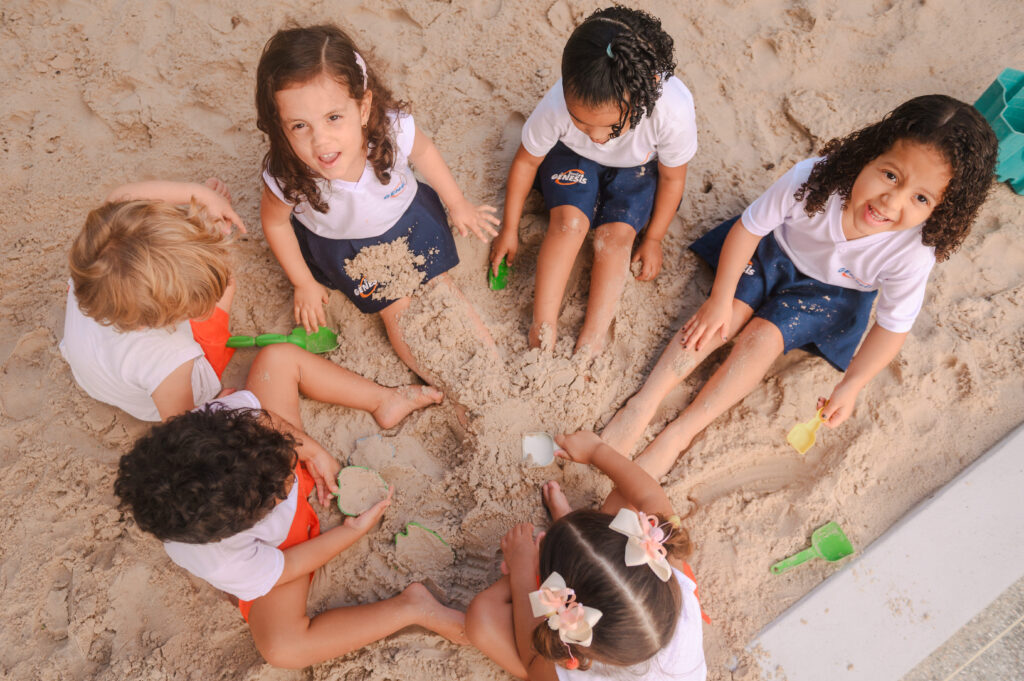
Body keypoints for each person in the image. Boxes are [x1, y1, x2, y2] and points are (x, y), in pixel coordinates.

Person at [601, 94, 999, 479]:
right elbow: (749, 230)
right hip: (774, 252)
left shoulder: (914, 251)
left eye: (920, 198)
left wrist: (852, 385)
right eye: (890, 175)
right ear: (870, 154)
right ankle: (643, 403)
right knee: (725, 316)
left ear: (940, 210)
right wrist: (720, 300)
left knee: (761, 340)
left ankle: (680, 433)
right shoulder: (814, 179)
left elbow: (893, 326)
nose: (891, 202)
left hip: (832, 294)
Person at [113, 346, 465, 669]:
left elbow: (266, 422)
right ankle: (410, 609)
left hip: (260, 460)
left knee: (276, 361)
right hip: (284, 542)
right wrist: (349, 533)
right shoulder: (220, 558)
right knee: (283, 649)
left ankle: (383, 399)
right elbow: (288, 566)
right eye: (279, 489)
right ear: (241, 523)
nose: (291, 478)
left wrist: (312, 452)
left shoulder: (220, 425)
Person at [256, 24, 501, 399]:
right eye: (299, 126)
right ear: (280, 126)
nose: (320, 140)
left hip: (408, 221)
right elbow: (275, 223)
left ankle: (491, 368)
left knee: (441, 288)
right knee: (396, 308)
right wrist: (302, 282)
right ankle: (453, 389)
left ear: (363, 106)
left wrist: (458, 204)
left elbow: (425, 153)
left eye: (334, 117)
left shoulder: (391, 130)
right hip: (347, 247)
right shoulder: (287, 173)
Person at [489, 7, 697, 356]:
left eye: (612, 126)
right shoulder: (559, 103)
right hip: (573, 157)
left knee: (615, 239)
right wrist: (509, 228)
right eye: (582, 122)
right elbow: (527, 161)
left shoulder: (671, 112)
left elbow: (673, 177)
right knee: (568, 224)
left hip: (638, 168)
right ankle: (543, 328)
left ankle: (592, 340)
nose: (597, 137)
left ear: (644, 99)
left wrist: (655, 238)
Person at [466, 431, 708, 680]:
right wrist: (596, 451)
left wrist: (523, 568)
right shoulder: (681, 604)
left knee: (481, 619)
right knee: (625, 496)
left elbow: (533, 661)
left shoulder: (579, 670)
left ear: (569, 614)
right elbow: (649, 496)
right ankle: (575, 539)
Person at [61, 179, 246, 421]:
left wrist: (203, 196)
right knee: (226, 283)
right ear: (157, 322)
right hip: (160, 392)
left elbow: (123, 195)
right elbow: (180, 424)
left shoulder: (96, 265)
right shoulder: (169, 358)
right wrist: (211, 413)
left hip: (93, 366)